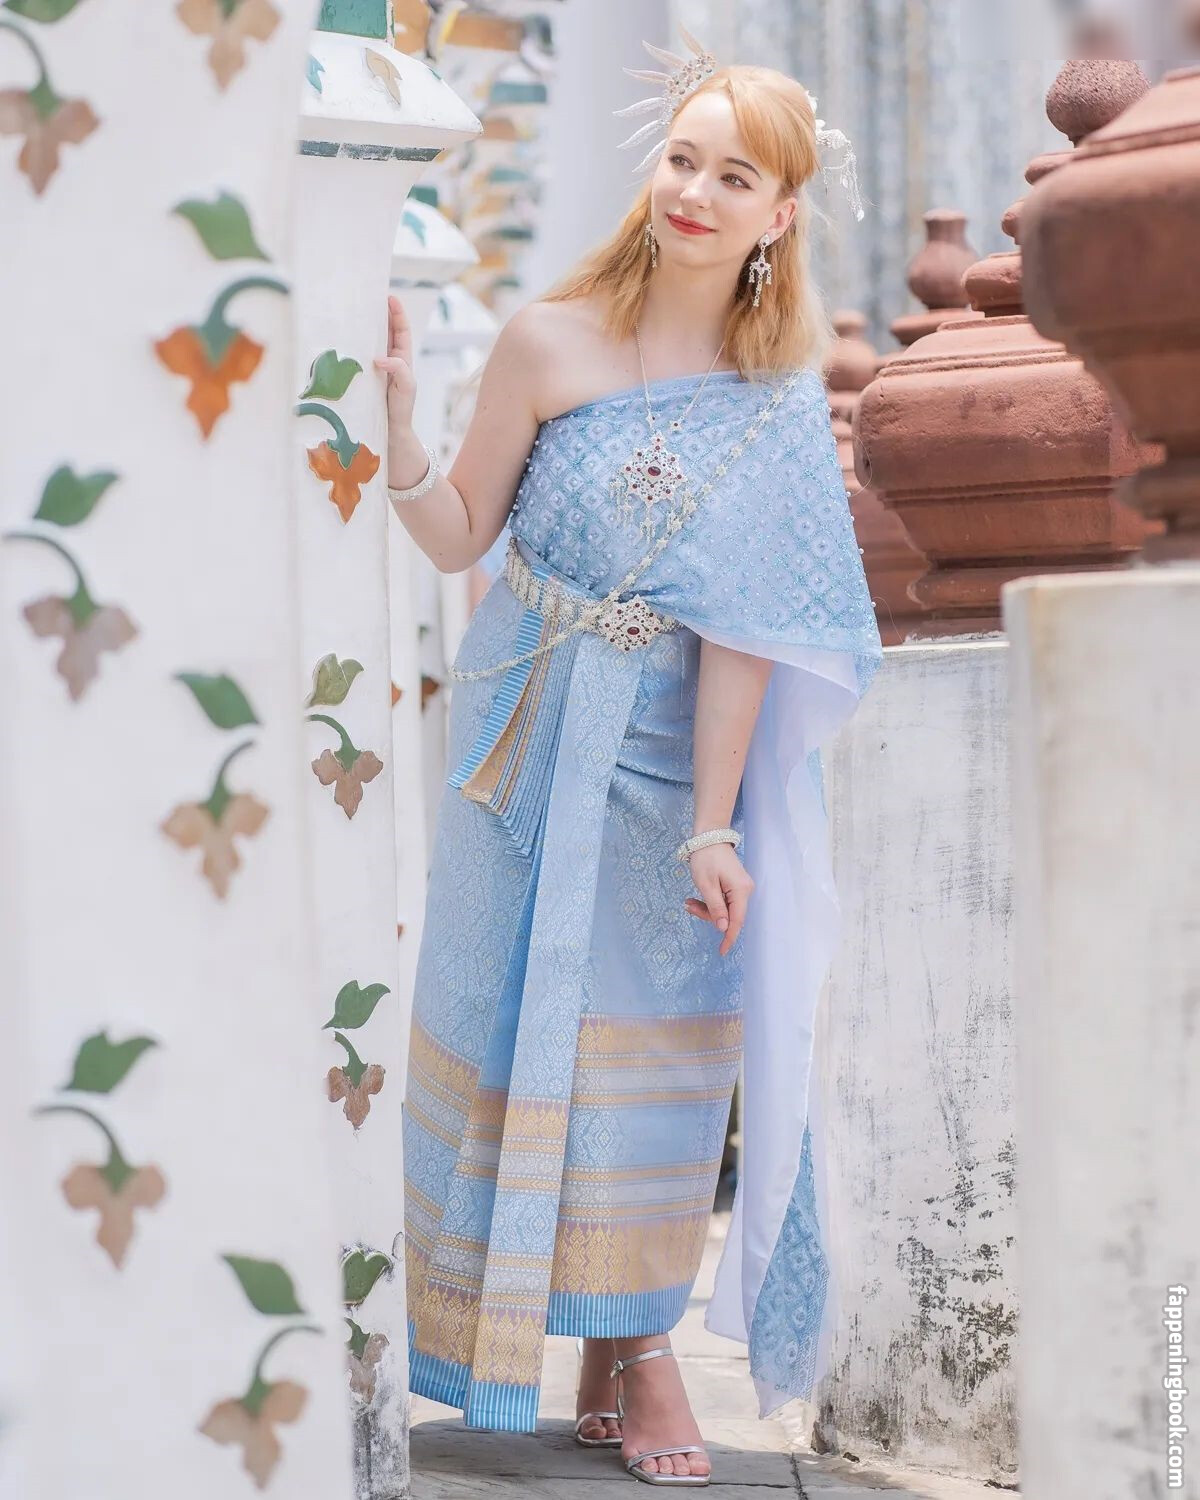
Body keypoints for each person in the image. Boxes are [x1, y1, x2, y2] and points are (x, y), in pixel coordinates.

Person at [376, 33, 882, 1490]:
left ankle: (630, 1335)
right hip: (521, 735)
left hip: (668, 756)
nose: (696, 194)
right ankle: (610, 1352)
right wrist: (398, 434)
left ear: (780, 213)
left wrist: (713, 827)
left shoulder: (773, 396)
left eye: (736, 177)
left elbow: (748, 635)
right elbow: (460, 533)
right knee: (516, 1018)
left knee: (649, 1043)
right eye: (683, 160)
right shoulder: (549, 341)